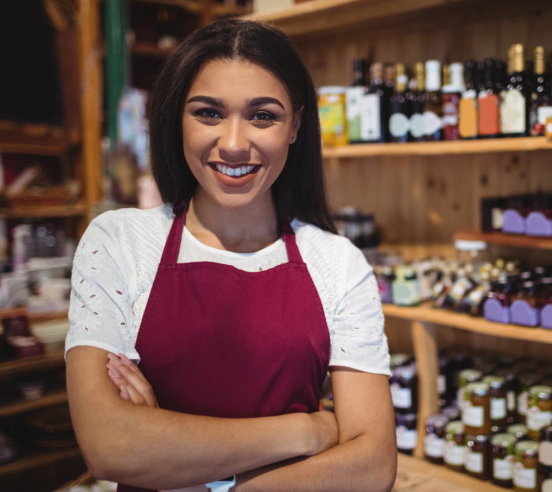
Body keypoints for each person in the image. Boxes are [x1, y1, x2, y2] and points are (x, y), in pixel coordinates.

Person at [65, 18, 397, 492]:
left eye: (263, 116)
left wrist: (173, 457)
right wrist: (306, 431)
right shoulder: (119, 242)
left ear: (295, 126)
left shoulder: (338, 262)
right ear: (177, 118)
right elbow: (108, 446)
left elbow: (371, 466)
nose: (235, 143)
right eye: (208, 113)